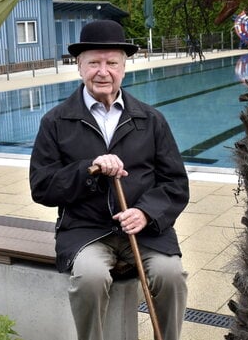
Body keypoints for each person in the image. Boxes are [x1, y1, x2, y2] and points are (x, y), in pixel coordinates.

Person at [30, 20, 190, 340]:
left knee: (171, 276)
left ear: (123, 67)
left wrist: (145, 212)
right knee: (89, 279)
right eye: (93, 62)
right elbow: (42, 186)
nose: (103, 71)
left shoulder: (151, 119)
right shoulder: (56, 122)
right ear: (79, 66)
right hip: (87, 230)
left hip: (144, 232)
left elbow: (175, 183)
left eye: (111, 63)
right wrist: (89, 169)